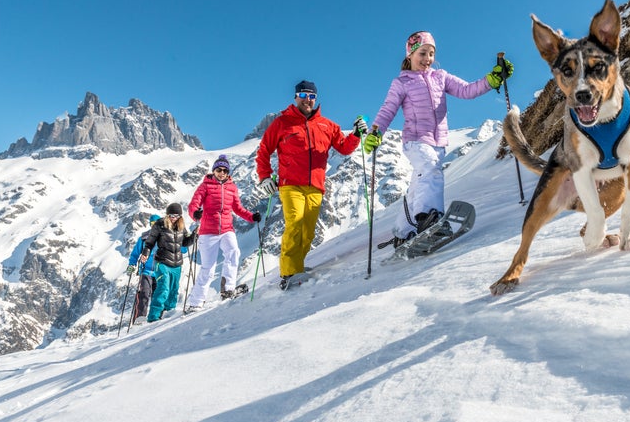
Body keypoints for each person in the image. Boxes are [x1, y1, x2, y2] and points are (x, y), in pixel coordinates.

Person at [363, 31, 513, 247]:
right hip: (415, 140)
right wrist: (375, 131)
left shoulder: (441, 77)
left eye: (431, 54)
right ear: (410, 55)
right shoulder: (402, 82)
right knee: (431, 169)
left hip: (438, 143)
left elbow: (466, 90)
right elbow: (388, 109)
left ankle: (404, 231)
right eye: (422, 53)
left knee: (419, 184)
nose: (427, 59)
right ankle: (428, 218)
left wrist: (491, 80)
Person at [255, 80, 366, 290]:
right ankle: (288, 272)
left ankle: (297, 267)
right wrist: (265, 176)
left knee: (308, 232)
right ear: (296, 97)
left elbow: (344, 148)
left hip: (315, 186)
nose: (308, 100)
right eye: (304, 95)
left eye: (311, 96)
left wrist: (357, 135)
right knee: (295, 223)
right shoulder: (282, 123)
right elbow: (264, 150)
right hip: (290, 185)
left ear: (316, 99)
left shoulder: (326, 125)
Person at [184, 154, 261, 311]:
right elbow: (194, 204)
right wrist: (195, 214)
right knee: (208, 267)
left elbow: (238, 209)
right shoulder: (205, 186)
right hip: (208, 232)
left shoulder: (232, 188)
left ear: (228, 173)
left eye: (225, 170)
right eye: (219, 170)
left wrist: (252, 217)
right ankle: (196, 302)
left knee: (233, 253)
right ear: (214, 170)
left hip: (227, 229)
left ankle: (228, 290)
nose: (222, 173)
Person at [138, 203, 197, 321]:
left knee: (173, 291)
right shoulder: (160, 224)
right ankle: (154, 317)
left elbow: (184, 243)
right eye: (171, 215)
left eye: (176, 215)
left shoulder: (181, 226)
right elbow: (150, 242)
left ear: (180, 216)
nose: (173, 218)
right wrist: (145, 253)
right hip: (162, 262)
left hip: (177, 264)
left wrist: (195, 234)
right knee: (163, 288)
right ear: (167, 215)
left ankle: (169, 314)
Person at [126, 214, 161, 324]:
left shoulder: (164, 238)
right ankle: (139, 318)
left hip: (160, 271)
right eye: (152, 224)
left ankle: (157, 317)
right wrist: (132, 264)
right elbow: (135, 253)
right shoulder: (144, 238)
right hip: (146, 271)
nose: (154, 226)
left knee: (158, 294)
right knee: (144, 293)